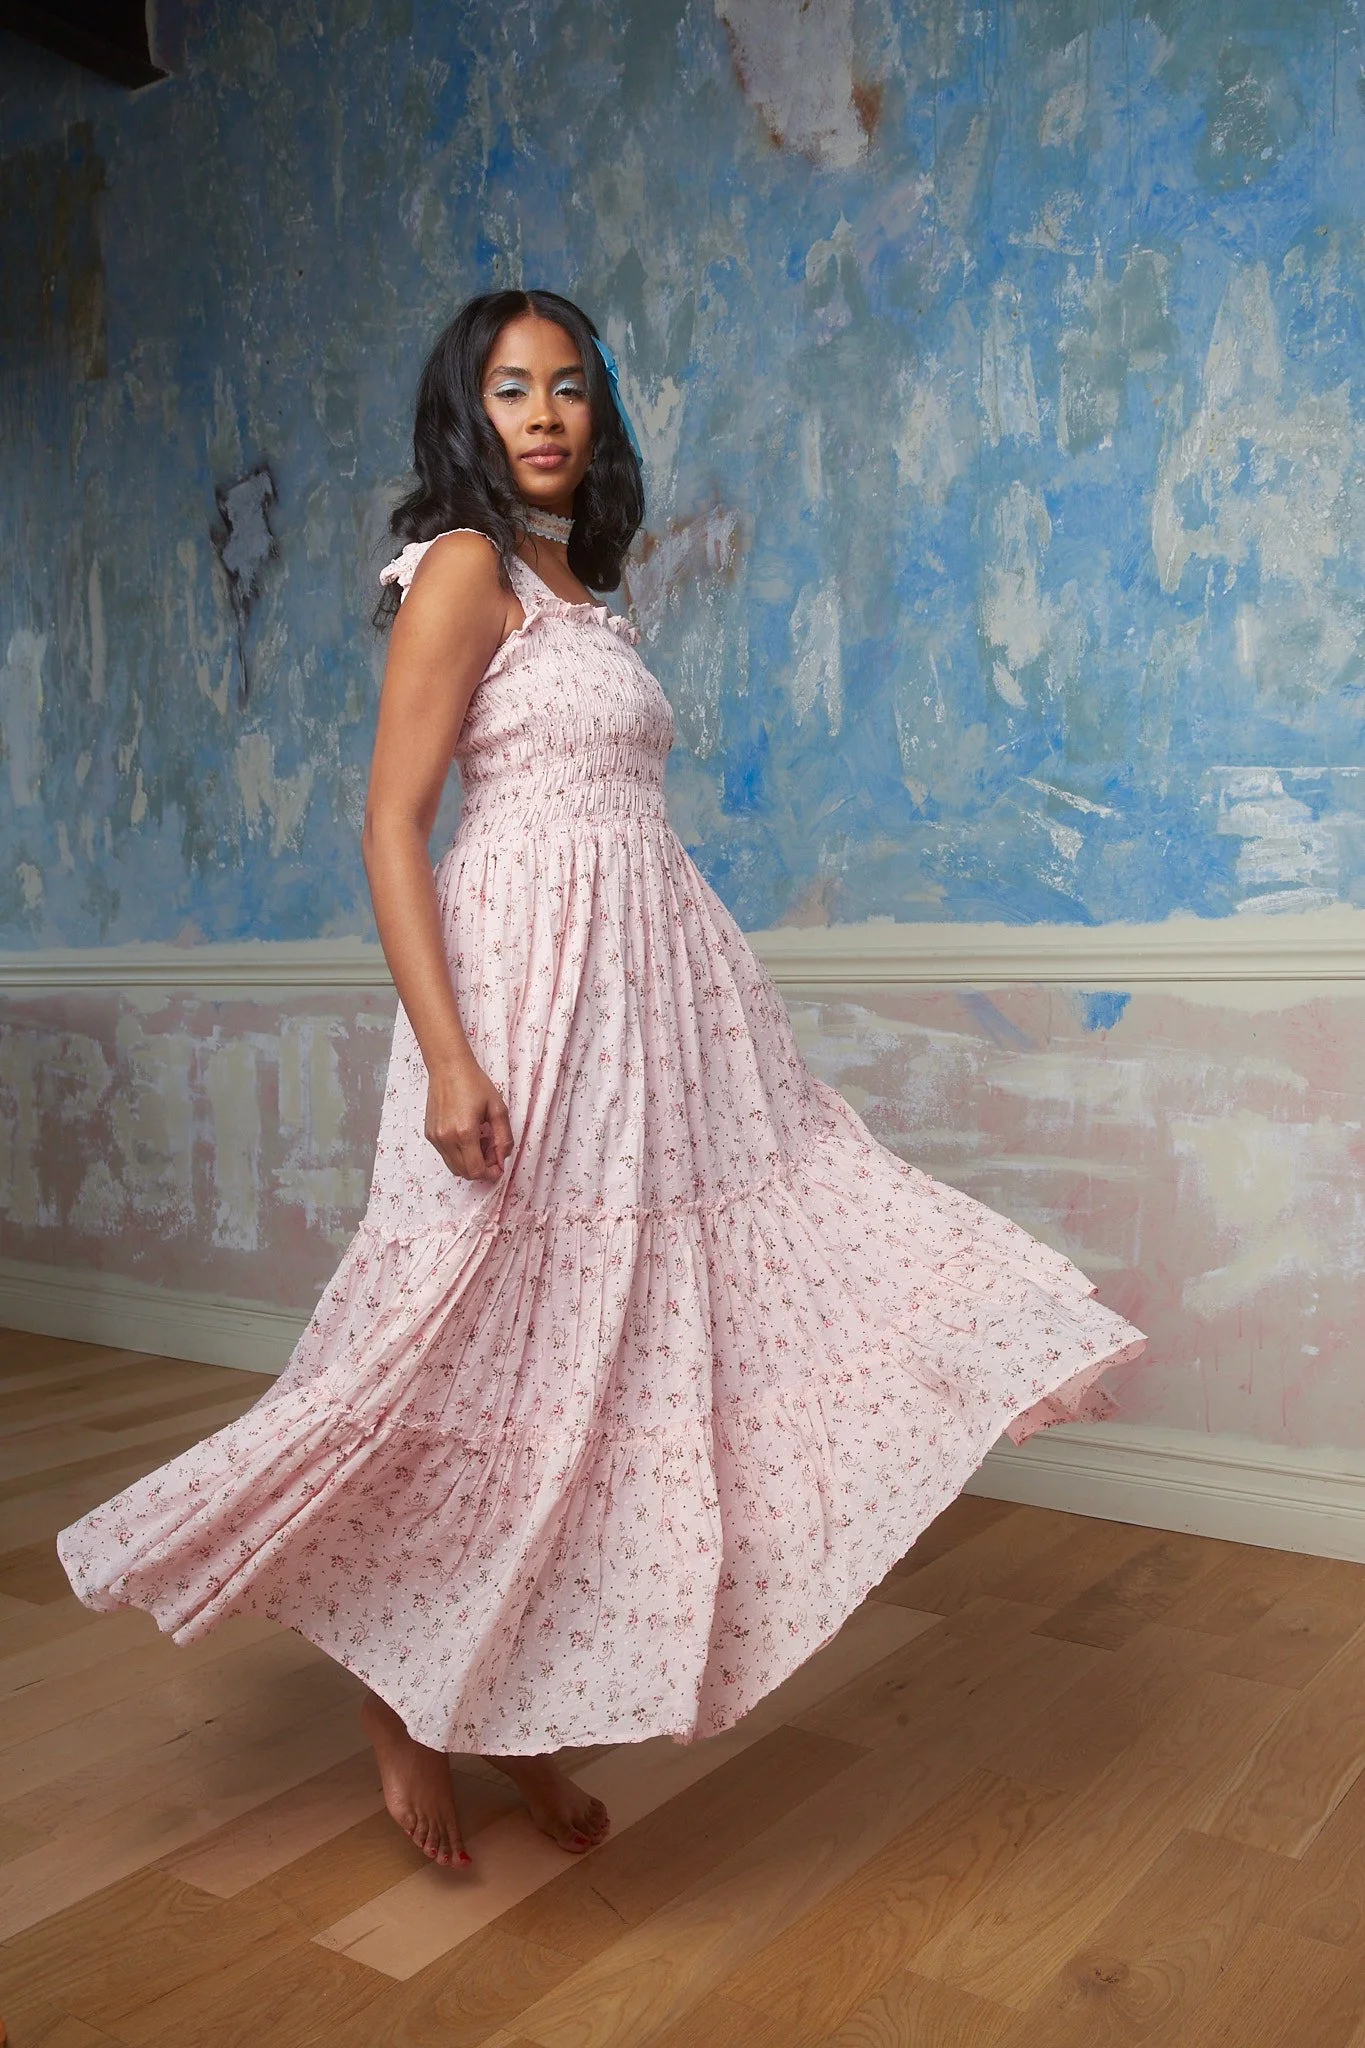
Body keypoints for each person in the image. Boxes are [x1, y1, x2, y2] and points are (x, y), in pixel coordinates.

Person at [57, 288, 1146, 1874]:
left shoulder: (582, 593)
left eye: (570, 387)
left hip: (651, 1035)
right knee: (459, 1354)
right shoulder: (463, 569)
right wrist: (451, 1055)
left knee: (598, 1373)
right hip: (521, 1016)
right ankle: (401, 1697)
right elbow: (391, 827)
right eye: (512, 389)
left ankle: (512, 1714)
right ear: (468, 411)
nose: (546, 414)